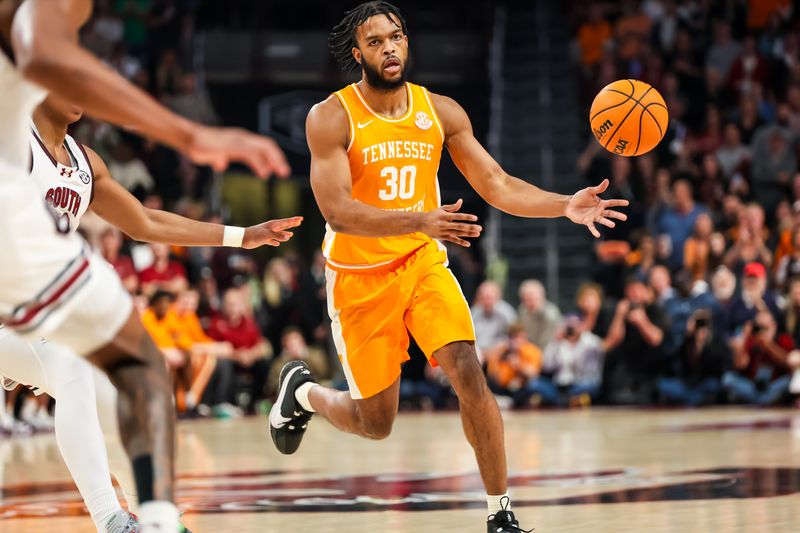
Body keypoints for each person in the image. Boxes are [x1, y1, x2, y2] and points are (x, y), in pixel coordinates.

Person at [267, 3, 629, 532]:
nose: (388, 48)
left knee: (467, 369)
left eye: (396, 37)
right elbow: (338, 212)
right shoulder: (331, 116)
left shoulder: (440, 111)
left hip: (421, 262)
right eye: (375, 42)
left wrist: (565, 205)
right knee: (376, 422)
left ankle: (499, 513)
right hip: (359, 278)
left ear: (407, 43)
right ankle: (303, 393)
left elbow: (498, 185)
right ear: (358, 53)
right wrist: (420, 217)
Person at [0, 84, 296, 532]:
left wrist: (242, 235)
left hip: (40, 318)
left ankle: (159, 518)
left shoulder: (85, 163)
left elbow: (146, 222)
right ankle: (110, 520)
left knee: (116, 397)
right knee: (72, 368)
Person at [207, 287, 272, 414]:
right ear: (224, 305)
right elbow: (213, 349)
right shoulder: (216, 323)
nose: (232, 308)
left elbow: (260, 345)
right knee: (223, 364)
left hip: (247, 360)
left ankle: (257, 401)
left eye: (235, 304)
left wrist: (251, 355)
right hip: (229, 361)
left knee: (264, 363)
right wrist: (237, 356)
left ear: (242, 306)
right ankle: (222, 402)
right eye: (229, 304)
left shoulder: (249, 323)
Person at [603, 278, 667, 404]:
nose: (634, 295)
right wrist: (619, 316)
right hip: (627, 369)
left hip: (650, 371)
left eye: (637, 290)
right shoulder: (622, 312)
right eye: (631, 291)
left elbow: (656, 339)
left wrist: (642, 322)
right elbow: (612, 342)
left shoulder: (655, 310)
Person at [526, 314, 606, 406]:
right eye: (569, 325)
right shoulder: (559, 343)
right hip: (560, 386)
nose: (571, 328)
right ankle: (570, 400)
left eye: (575, 325)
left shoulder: (589, 341)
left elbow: (603, 347)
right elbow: (547, 366)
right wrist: (555, 342)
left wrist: (583, 332)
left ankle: (562, 400)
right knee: (534, 384)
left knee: (593, 386)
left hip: (581, 383)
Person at [657, 309, 731, 406]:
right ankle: (692, 400)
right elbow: (672, 357)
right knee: (663, 385)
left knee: (713, 386)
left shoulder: (717, 341)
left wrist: (703, 345)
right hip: (687, 384)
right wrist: (688, 335)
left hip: (706, 383)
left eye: (703, 322)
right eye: (697, 322)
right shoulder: (686, 340)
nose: (700, 325)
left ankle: (691, 401)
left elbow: (717, 369)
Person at [724, 309, 794, 405]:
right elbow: (740, 365)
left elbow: (787, 363)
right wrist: (744, 338)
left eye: (765, 328)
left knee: (790, 380)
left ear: (774, 326)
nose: (761, 332)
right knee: (728, 378)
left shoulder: (783, 339)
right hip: (754, 387)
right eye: (758, 327)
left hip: (774, 386)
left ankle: (760, 400)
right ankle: (762, 400)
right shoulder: (751, 341)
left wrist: (768, 345)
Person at [484, 323, 543, 407]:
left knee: (534, 385)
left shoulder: (532, 350)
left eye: (519, 338)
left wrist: (519, 366)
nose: (517, 341)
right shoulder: (503, 349)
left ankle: (517, 400)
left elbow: (534, 373)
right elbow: (486, 358)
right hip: (503, 386)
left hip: (523, 386)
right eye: (513, 338)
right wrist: (500, 350)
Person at [471, 281, 518, 355]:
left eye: (489, 298)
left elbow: (514, 336)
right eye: (483, 298)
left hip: (500, 350)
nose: (486, 301)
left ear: (498, 297)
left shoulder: (506, 312)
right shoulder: (474, 312)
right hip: (479, 349)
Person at [517, 279, 562, 351]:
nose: (528, 297)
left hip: (549, 351)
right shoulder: (522, 311)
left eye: (531, 294)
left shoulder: (550, 313)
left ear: (541, 295)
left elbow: (547, 340)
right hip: (529, 350)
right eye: (525, 295)